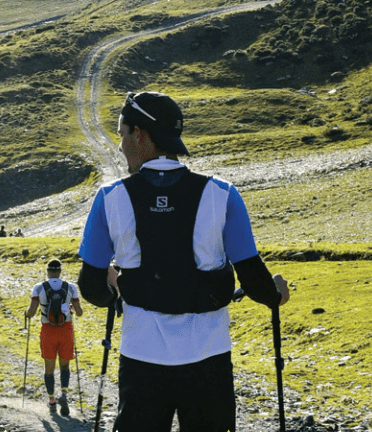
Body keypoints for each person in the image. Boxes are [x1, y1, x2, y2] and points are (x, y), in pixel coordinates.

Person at [76, 91, 290, 431]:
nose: (120, 146)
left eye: (121, 134)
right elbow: (253, 278)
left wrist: (112, 292)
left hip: (141, 360)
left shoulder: (109, 198)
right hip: (208, 361)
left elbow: (90, 289)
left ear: (140, 134)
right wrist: (276, 293)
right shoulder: (224, 195)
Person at [25, 259, 83, 416]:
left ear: (48, 271)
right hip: (66, 330)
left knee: (49, 369)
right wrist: (70, 308)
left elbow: (31, 312)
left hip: (48, 331)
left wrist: (27, 313)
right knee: (65, 366)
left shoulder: (39, 288)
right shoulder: (70, 287)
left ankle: (51, 400)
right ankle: (63, 394)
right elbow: (79, 312)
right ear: (60, 271)